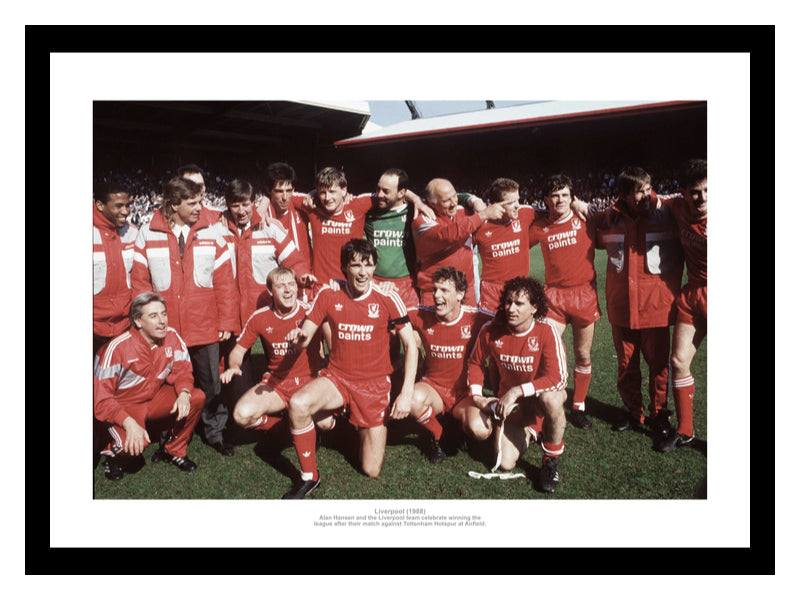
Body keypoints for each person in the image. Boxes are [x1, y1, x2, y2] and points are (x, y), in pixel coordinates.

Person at [281, 239, 419, 499]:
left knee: (371, 470)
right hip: (337, 378)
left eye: (368, 265)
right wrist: (297, 337)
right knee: (298, 404)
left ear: (374, 266)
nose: (363, 272)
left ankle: (346, 425)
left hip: (374, 386)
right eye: (355, 265)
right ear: (345, 268)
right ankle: (309, 477)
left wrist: (407, 393)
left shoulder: (388, 296)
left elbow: (411, 345)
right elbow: (305, 338)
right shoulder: (328, 293)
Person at [131, 175, 239, 456]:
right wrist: (146, 322)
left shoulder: (212, 232)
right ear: (174, 203)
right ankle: (170, 433)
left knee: (211, 383)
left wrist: (227, 320)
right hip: (165, 328)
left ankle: (214, 432)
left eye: (200, 201)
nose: (199, 207)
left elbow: (225, 281)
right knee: (168, 383)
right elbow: (140, 282)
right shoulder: (148, 233)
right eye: (192, 203)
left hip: (205, 325)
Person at [593, 166, 683, 435]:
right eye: (639, 191)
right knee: (626, 365)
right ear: (623, 195)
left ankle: (659, 415)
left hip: (656, 307)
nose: (646, 195)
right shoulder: (609, 218)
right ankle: (632, 411)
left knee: (658, 366)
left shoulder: (668, 211)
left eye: (648, 188)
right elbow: (588, 225)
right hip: (621, 307)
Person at [466, 277, 569, 492]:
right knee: (505, 464)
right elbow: (475, 363)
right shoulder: (491, 330)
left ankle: (550, 460)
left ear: (534, 308)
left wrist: (517, 390)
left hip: (540, 402)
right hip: (513, 408)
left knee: (552, 398)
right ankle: (531, 431)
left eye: (519, 304)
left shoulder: (546, 331)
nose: (511, 308)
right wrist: (477, 396)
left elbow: (558, 377)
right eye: (508, 302)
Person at [220, 179, 316, 408]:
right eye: (235, 206)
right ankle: (237, 411)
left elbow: (294, 259)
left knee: (278, 359)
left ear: (254, 203)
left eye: (246, 204)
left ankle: (293, 402)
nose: (241, 211)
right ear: (227, 206)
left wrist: (302, 275)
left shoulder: (270, 228)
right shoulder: (217, 230)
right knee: (236, 371)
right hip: (231, 311)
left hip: (264, 308)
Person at [94, 292, 205, 480]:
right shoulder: (117, 348)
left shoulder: (172, 336)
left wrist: (184, 393)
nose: (162, 321)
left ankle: (174, 451)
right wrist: (128, 423)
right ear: (137, 321)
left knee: (196, 397)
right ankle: (112, 456)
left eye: (164, 314)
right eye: (153, 316)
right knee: (133, 446)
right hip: (124, 406)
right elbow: (101, 400)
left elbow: (183, 370)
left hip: (153, 398)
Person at [528, 174, 603, 430]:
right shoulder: (540, 226)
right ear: (546, 199)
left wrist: (586, 206)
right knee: (544, 352)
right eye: (554, 195)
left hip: (584, 294)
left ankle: (578, 406)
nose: (559, 200)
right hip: (554, 297)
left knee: (582, 353)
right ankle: (540, 408)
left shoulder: (585, 219)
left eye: (564, 195)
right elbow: (516, 242)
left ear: (573, 198)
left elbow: (611, 224)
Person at [222, 267, 323, 437]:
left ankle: (328, 428)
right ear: (270, 290)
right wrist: (233, 366)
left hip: (310, 381)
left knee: (326, 423)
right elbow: (238, 351)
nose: (288, 289)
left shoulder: (310, 311)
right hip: (278, 382)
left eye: (291, 284)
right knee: (241, 415)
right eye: (281, 285)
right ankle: (284, 428)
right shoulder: (259, 317)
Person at [407, 267, 494, 463]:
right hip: (434, 388)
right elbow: (392, 310)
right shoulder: (423, 315)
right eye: (435, 289)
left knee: (480, 430)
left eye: (444, 290)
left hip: (465, 393)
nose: (436, 295)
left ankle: (460, 424)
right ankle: (440, 434)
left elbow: (508, 323)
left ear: (460, 294)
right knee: (411, 399)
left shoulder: (476, 318)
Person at [655, 159, 707, 452]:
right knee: (678, 361)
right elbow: (647, 197)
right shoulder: (676, 207)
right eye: (696, 192)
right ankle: (685, 431)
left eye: (708, 191)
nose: (702, 198)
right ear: (684, 193)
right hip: (693, 295)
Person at [412, 178, 504, 306]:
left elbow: (465, 201)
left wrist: (475, 200)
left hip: (467, 292)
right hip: (436, 293)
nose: (453, 203)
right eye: (446, 200)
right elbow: (447, 234)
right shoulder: (421, 220)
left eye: (454, 196)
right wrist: (482, 215)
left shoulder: (463, 212)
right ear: (432, 203)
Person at [472, 177, 537, 313]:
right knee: (490, 333)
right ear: (496, 204)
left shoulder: (526, 213)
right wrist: (473, 199)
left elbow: (557, 213)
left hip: (521, 290)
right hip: (492, 293)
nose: (517, 205)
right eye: (511, 202)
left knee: (520, 333)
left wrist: (575, 204)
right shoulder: (480, 224)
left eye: (518, 200)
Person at [93, 181, 138, 354]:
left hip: (124, 327)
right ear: (100, 205)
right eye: (118, 206)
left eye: (128, 205)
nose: (126, 211)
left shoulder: (133, 233)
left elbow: (139, 278)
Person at [257, 162, 314, 272]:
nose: (285, 197)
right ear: (269, 190)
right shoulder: (261, 212)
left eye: (288, 191)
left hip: (305, 275)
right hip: (279, 280)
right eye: (279, 191)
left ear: (293, 190)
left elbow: (324, 197)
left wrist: (346, 196)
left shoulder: (301, 204)